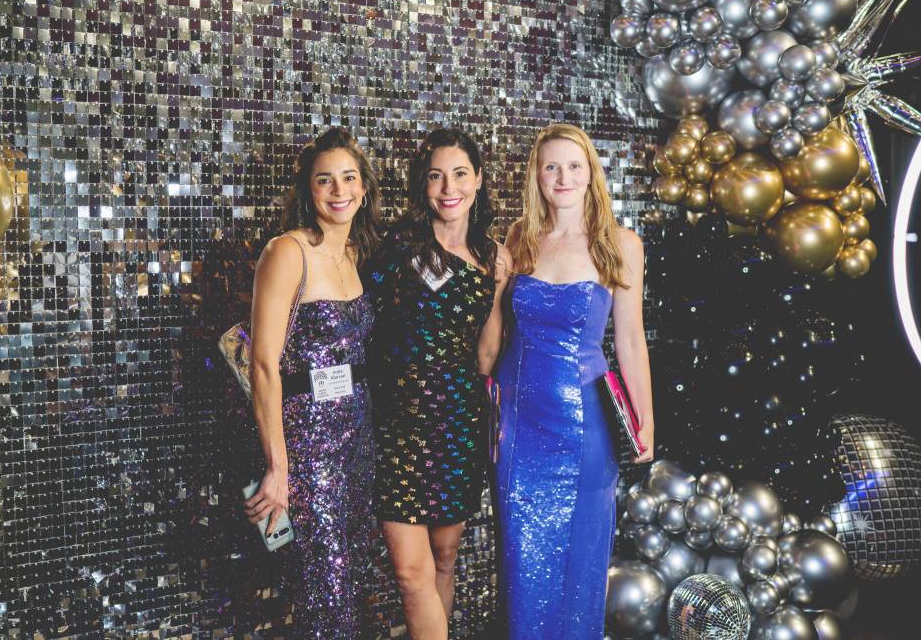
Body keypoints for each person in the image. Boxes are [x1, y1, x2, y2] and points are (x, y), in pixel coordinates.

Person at [494, 123, 655, 638]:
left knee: (580, 563)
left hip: (586, 429)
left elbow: (630, 341)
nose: (563, 176)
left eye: (574, 166)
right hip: (519, 427)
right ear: (537, 177)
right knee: (523, 561)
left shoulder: (621, 244)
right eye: (551, 167)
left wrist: (645, 419)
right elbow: (498, 335)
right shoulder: (518, 238)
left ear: (591, 173)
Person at [367, 128, 511, 640]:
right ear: (422, 185)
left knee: (445, 557)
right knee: (411, 573)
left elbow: (488, 350)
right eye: (435, 176)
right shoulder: (397, 247)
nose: (447, 186)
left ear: (478, 181)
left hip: (457, 422)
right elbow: (362, 321)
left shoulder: (495, 258)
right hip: (398, 423)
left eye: (459, 173)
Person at [244, 127, 382, 638]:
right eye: (325, 181)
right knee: (326, 590)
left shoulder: (351, 256)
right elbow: (263, 366)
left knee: (351, 581)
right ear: (309, 191)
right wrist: (279, 468)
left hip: (357, 441)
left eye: (349, 178)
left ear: (364, 189)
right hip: (308, 445)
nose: (339, 190)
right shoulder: (288, 251)